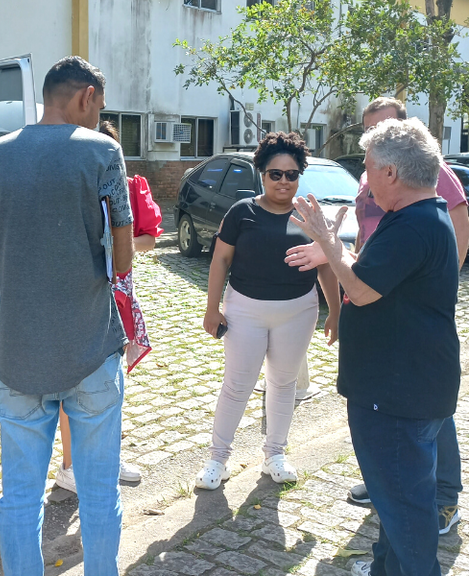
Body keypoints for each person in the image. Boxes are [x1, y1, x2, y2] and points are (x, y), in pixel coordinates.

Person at [0, 56, 133, 576]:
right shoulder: (103, 152)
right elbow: (122, 261)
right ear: (86, 96)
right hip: (90, 349)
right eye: (99, 105)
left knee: (18, 499)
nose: (97, 114)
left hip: (18, 355)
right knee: (98, 495)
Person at [286, 97, 468, 536]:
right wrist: (339, 252)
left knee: (419, 442)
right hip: (387, 311)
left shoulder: (424, 191)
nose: (366, 167)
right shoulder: (390, 194)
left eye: (378, 137)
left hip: (404, 338)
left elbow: (371, 285)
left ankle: (441, 501)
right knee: (401, 464)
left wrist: (428, 286)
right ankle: (395, 493)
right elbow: (371, 257)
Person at [195, 132, 340, 491]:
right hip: (245, 310)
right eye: (276, 173)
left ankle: (274, 454)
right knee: (237, 385)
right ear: (262, 173)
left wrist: (335, 311)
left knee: (283, 383)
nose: (284, 181)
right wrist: (212, 309)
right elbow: (220, 261)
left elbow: (325, 264)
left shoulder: (309, 214)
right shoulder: (241, 213)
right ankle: (218, 459)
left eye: (291, 174)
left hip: (298, 311)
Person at [54, 119, 163, 493]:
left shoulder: (130, 188)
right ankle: (70, 466)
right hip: (72, 295)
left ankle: (105, 455)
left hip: (117, 293)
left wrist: (122, 243)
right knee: (73, 382)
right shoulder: (65, 186)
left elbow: (149, 237)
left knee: (110, 384)